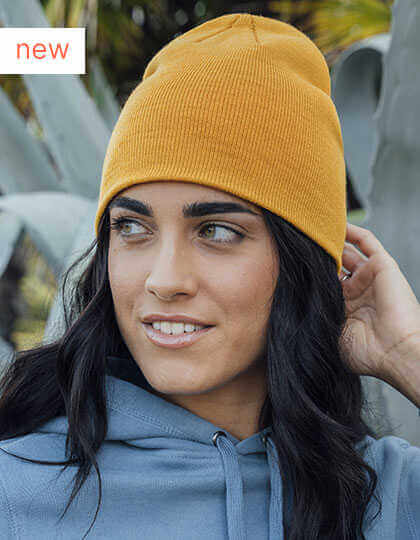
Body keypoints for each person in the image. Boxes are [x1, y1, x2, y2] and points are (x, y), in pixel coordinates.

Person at [0, 11, 419, 540]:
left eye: (217, 231)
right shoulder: (16, 490)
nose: (164, 280)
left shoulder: (390, 496)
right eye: (132, 227)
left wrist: (407, 352)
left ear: (302, 262)